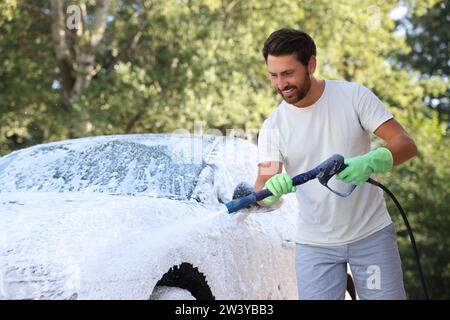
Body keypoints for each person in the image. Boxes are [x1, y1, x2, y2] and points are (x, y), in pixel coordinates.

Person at [254, 28, 417, 300]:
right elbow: (262, 186)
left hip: (371, 235)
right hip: (315, 246)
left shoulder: (353, 96)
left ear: (311, 64)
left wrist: (372, 160)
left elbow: (405, 143)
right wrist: (270, 191)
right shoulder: (273, 126)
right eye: (274, 75)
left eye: (288, 73)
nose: (281, 84)